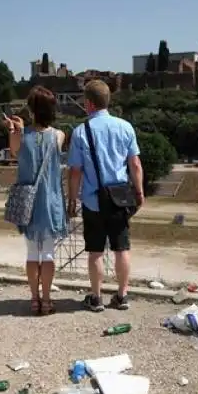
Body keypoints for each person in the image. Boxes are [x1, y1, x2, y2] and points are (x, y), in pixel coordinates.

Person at [67, 80, 144, 312]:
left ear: (89, 104)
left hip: (93, 200)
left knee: (96, 252)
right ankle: (122, 295)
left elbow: (75, 172)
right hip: (120, 197)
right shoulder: (125, 127)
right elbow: (135, 164)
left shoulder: (81, 132)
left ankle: (96, 297)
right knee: (122, 248)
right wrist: (139, 192)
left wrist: (72, 199)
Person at [3, 86, 68, 315]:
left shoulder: (21, 136)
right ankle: (47, 300)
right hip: (51, 202)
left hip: (28, 203)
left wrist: (14, 129)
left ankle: (34, 299)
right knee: (48, 253)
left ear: (31, 109)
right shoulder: (59, 136)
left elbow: (13, 152)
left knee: (31, 253)